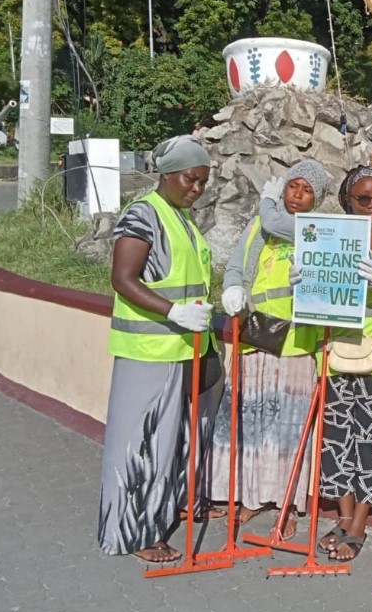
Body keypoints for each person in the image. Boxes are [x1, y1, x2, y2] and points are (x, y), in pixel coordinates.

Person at [99, 135, 221, 563]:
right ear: (166, 174)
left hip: (179, 350)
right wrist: (174, 312)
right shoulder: (144, 215)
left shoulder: (180, 218)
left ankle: (154, 520)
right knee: (139, 444)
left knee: (165, 443)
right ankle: (134, 534)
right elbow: (123, 278)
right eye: (191, 179)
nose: (197, 189)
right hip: (148, 351)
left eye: (203, 181)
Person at [212, 159, 333, 532]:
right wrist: (232, 288)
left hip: (295, 346)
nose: (296, 195)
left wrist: (266, 205)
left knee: (288, 429)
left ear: (318, 198)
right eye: (292, 185)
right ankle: (247, 497)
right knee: (251, 423)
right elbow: (236, 263)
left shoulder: (317, 231)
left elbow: (274, 222)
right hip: (255, 339)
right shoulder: (258, 226)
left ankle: (287, 504)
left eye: (306, 189)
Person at [314, 166, 372, 562]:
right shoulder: (330, 237)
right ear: (347, 199)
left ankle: (359, 524)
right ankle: (344, 513)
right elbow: (319, 299)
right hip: (338, 354)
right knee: (338, 442)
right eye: (363, 199)